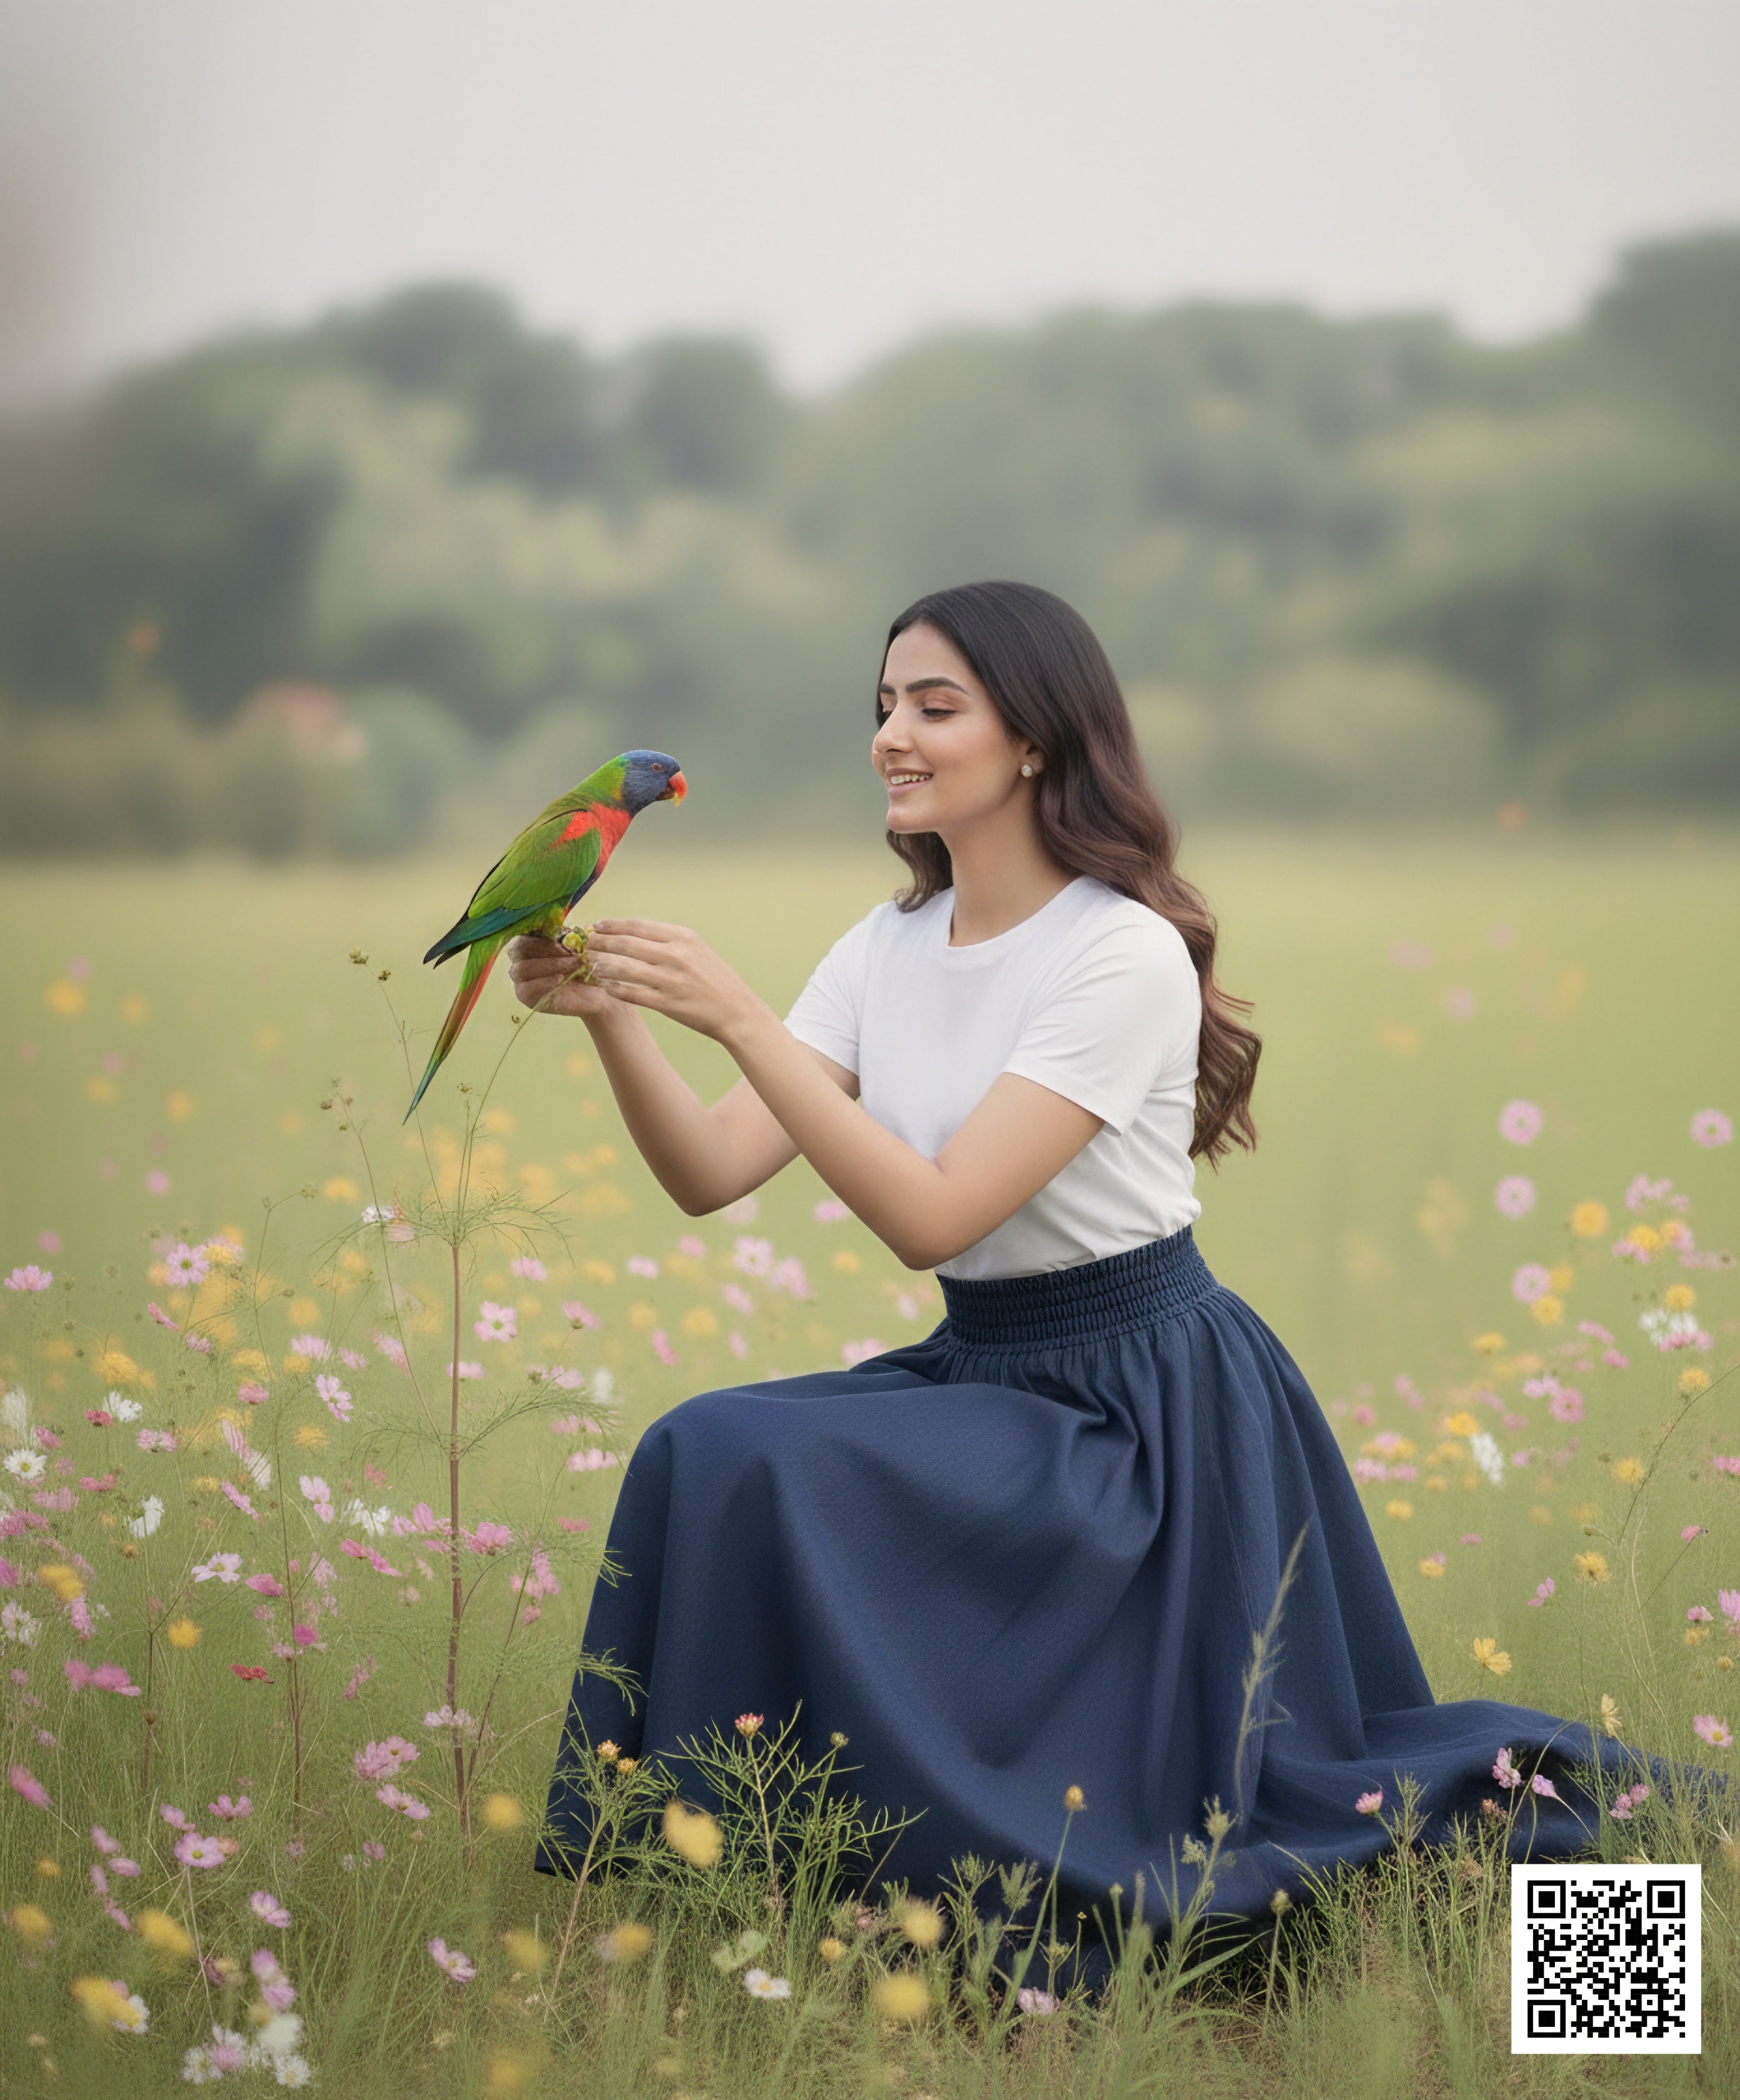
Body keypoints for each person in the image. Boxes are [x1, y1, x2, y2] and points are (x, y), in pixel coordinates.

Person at [514, 579, 1628, 1935]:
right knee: (709, 1450)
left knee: (1314, 1832)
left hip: (1144, 1418)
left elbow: (936, 1219)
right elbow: (708, 1171)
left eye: (936, 707)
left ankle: (1627, 1970)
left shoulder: (1120, 955)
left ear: (1035, 739)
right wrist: (613, 1017)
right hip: (987, 1375)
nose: (892, 736)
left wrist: (742, 1018)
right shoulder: (885, 946)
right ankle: (759, 1876)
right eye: (884, 706)